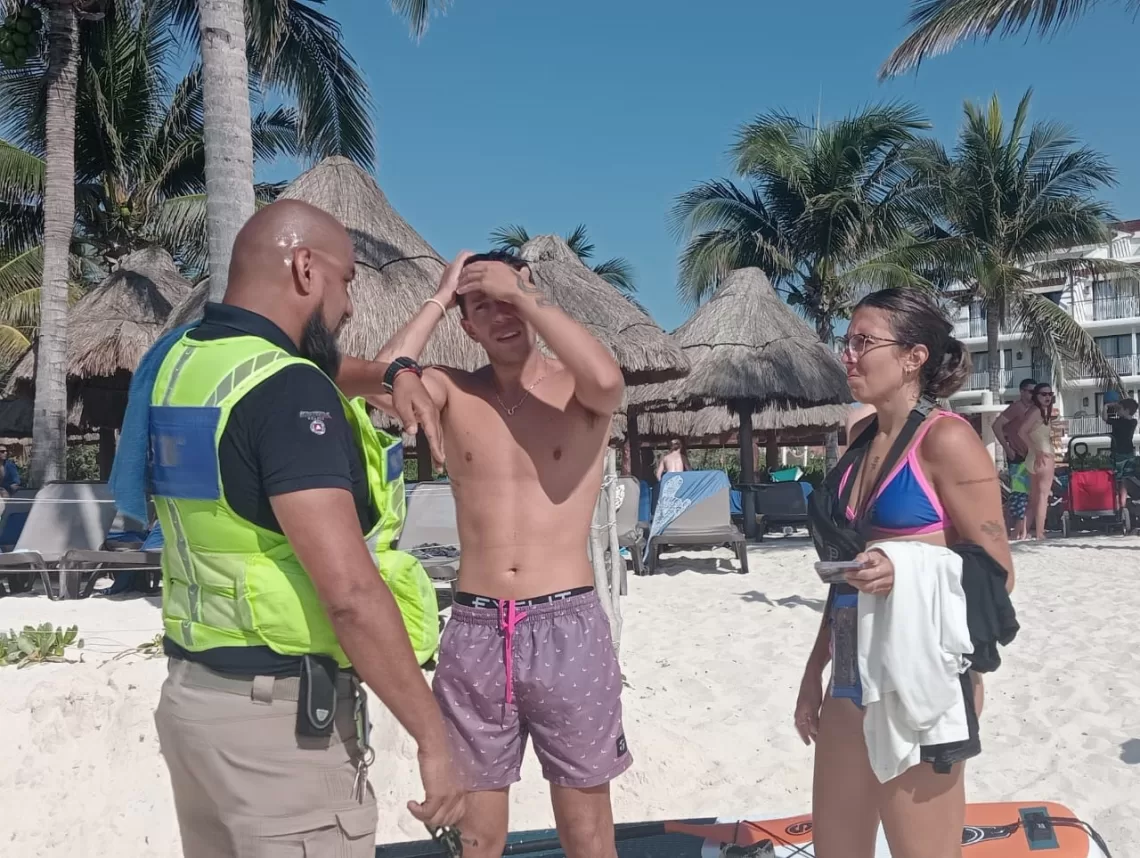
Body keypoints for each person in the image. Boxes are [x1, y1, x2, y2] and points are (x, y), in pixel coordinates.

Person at [142, 200, 463, 857]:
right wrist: (434, 738)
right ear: (306, 269)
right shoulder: (289, 392)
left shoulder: (184, 362)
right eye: (346, 281)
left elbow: (319, 369)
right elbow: (349, 594)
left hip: (197, 703)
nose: (349, 307)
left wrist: (395, 370)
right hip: (279, 732)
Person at [369, 249, 631, 858]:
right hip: (476, 628)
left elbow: (609, 382)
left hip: (567, 625)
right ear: (468, 327)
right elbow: (382, 378)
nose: (501, 314)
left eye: (510, 298)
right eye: (482, 306)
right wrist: (440, 297)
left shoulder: (577, 390)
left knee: (587, 834)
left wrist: (521, 293)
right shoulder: (452, 390)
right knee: (477, 837)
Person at [795, 288, 1014, 858]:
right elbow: (846, 573)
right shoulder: (859, 438)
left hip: (917, 679)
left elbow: (998, 573)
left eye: (863, 342)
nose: (847, 354)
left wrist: (906, 566)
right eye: (846, 341)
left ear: (914, 357)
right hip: (849, 672)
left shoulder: (948, 440)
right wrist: (814, 670)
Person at [992, 379, 1036, 540]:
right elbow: (996, 426)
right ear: (1022, 392)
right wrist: (1007, 448)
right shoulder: (1016, 408)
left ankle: (1020, 531)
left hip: (1030, 456)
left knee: (1028, 495)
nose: (1033, 395)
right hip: (1017, 456)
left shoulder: (1033, 409)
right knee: (1020, 495)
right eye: (1030, 391)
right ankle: (1014, 532)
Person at [1017, 383, 1057, 541]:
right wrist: (1036, 449)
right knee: (1042, 497)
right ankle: (1040, 533)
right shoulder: (1037, 412)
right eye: (1043, 394)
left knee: (1034, 498)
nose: (1047, 397)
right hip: (1043, 456)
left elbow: (1024, 432)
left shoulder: (1038, 411)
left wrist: (1033, 449)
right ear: (1036, 396)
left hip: (1033, 458)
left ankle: (1023, 533)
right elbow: (1021, 432)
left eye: (1049, 394)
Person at [1103, 397, 1138, 510]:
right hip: (1129, 454)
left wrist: (1106, 406)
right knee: (1124, 481)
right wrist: (1119, 406)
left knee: (1116, 480)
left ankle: (1117, 505)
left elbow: (1105, 418)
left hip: (1118, 454)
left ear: (1126, 410)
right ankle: (1122, 505)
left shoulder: (1118, 422)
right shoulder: (1133, 422)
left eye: (1119, 409)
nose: (1117, 411)